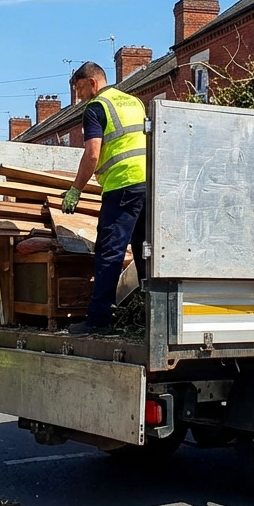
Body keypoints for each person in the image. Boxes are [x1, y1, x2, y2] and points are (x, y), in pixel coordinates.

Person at [62, 61, 148, 335]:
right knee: (146, 252)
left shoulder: (96, 107)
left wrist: (75, 189)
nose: (78, 97)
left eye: (78, 89)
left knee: (109, 251)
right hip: (149, 184)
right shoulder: (134, 102)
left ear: (92, 82)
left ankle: (99, 321)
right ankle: (150, 318)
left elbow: (92, 154)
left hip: (122, 186)